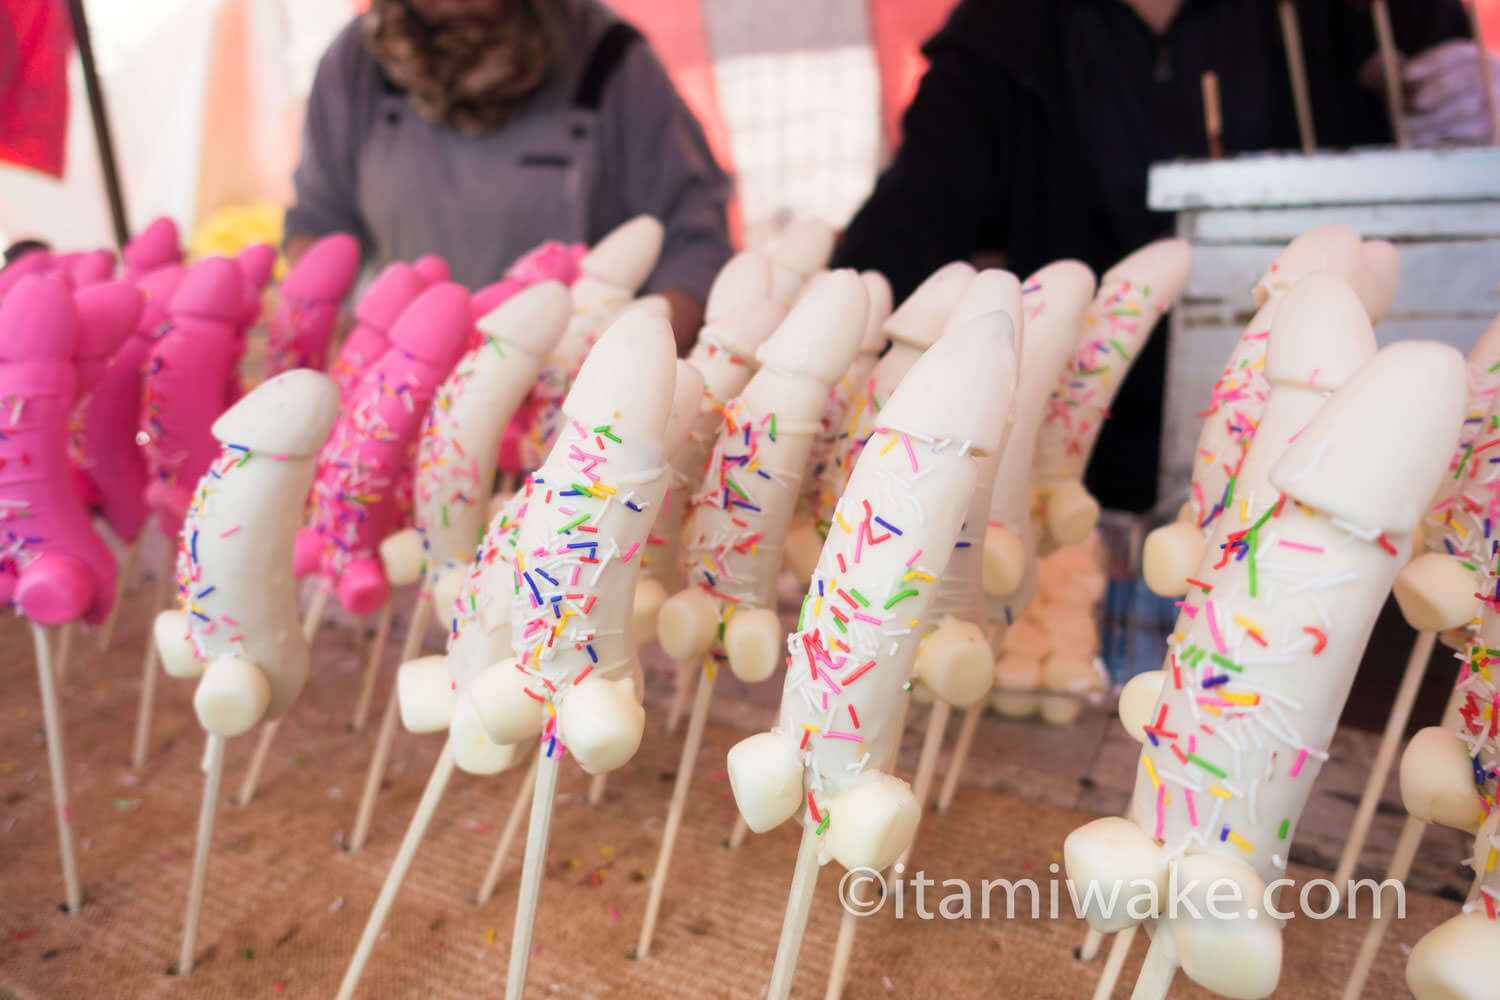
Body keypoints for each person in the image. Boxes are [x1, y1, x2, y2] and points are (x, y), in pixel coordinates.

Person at [833, 0, 1491, 515]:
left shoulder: (1366, 13)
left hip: (1345, 472)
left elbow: (1459, 222)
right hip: (1081, 488)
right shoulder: (1000, 38)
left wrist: (1477, 120)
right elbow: (888, 261)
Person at [283, 0, 734, 344]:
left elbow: (693, 245)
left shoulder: (610, 62)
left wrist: (631, 358)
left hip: (577, 402)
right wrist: (327, 327)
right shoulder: (358, 64)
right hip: (404, 378)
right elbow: (322, 221)